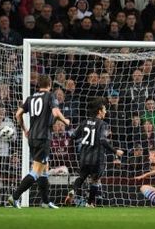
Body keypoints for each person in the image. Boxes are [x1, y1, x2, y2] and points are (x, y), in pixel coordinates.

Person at [8, 75, 70, 209]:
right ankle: (15, 197)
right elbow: (55, 112)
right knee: (36, 170)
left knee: (44, 169)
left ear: (38, 85)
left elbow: (18, 114)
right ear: (50, 84)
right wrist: (65, 121)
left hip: (32, 136)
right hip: (43, 137)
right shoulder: (50, 96)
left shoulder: (31, 98)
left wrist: (24, 129)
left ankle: (46, 202)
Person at [64, 99, 124, 207]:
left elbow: (73, 136)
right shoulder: (103, 124)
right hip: (97, 158)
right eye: (104, 109)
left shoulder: (84, 122)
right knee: (95, 180)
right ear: (99, 111)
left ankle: (73, 190)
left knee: (81, 177)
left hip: (84, 156)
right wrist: (115, 151)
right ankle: (90, 203)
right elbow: (102, 140)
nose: (106, 111)